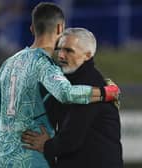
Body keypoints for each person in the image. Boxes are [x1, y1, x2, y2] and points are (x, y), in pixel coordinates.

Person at [0, 2, 119, 168]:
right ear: (60, 29)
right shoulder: (45, 65)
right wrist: (105, 92)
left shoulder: (8, 63)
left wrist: (8, 143)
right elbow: (66, 93)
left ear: (32, 29)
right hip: (31, 160)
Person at [21, 28, 123, 168]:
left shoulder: (90, 84)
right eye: (60, 49)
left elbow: (71, 139)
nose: (61, 55)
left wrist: (45, 145)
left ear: (87, 55)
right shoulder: (66, 81)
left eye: (69, 51)